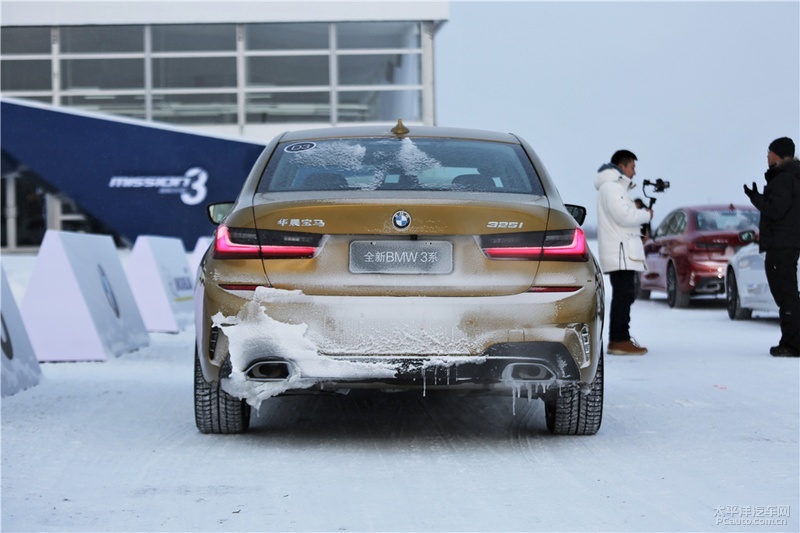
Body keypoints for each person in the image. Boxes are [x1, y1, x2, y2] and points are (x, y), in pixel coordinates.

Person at [743, 137, 800, 357]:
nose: (767, 155)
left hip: (780, 245)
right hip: (789, 243)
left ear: (778, 154)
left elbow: (775, 210)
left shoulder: (784, 178)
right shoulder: (793, 175)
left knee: (786, 296)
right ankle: (792, 341)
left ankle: (792, 344)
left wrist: (756, 199)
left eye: (769, 151)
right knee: (788, 294)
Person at [594, 150, 654, 355]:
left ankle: (621, 338)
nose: (634, 172)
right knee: (623, 296)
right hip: (620, 253)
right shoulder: (612, 187)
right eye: (632, 167)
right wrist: (645, 215)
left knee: (625, 295)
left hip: (622, 251)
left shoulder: (614, 187)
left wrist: (639, 231)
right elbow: (624, 216)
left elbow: (621, 220)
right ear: (621, 166)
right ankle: (618, 340)